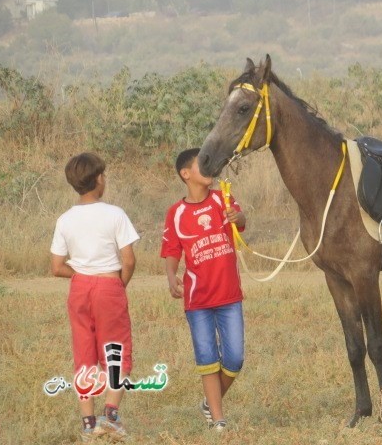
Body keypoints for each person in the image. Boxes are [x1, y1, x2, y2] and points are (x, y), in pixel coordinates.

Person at [50, 152, 139, 442]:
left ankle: (88, 423)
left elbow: (56, 267)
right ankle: (110, 416)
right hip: (108, 286)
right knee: (116, 351)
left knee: (84, 354)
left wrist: (80, 275)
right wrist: (118, 285)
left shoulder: (65, 219)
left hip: (79, 290)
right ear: (99, 180)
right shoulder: (115, 214)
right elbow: (128, 260)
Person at [161, 148, 246, 432]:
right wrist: (172, 274)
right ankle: (218, 420)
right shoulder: (176, 213)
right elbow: (172, 249)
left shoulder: (222, 198)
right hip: (197, 300)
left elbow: (242, 223)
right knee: (208, 358)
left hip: (229, 295)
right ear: (186, 174)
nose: (209, 166)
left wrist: (238, 217)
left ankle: (210, 404)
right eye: (202, 163)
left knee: (234, 359)